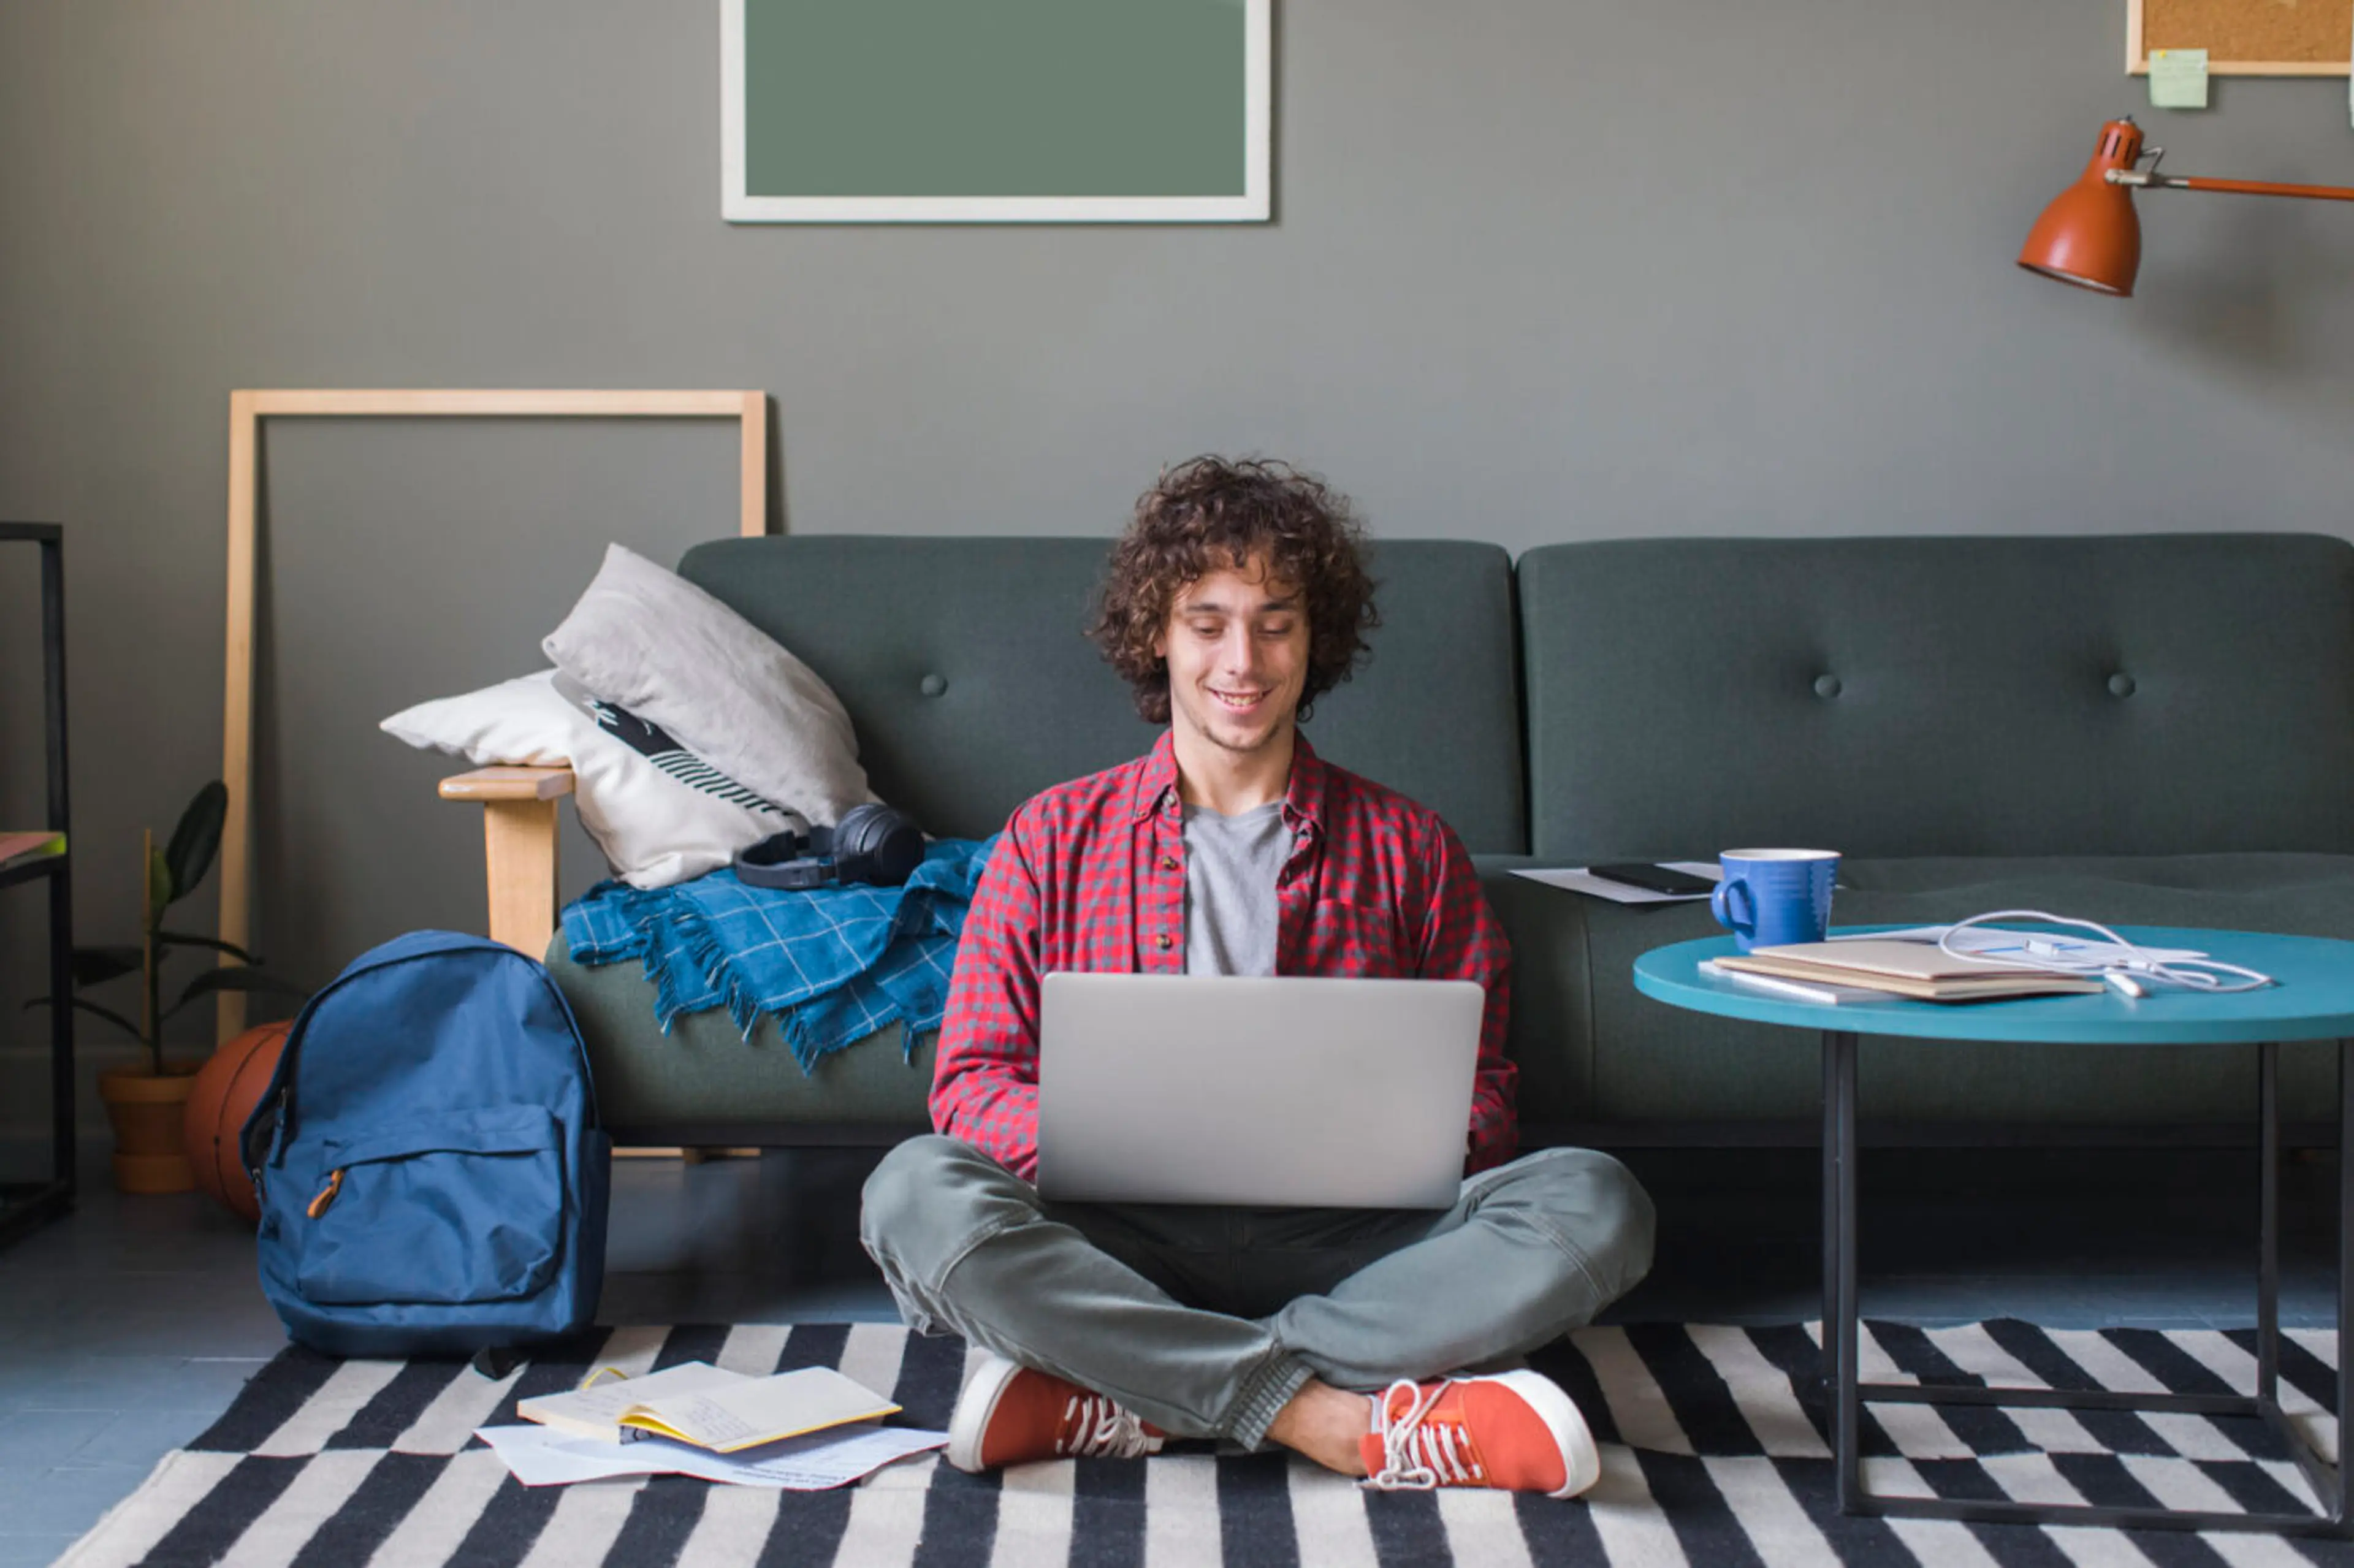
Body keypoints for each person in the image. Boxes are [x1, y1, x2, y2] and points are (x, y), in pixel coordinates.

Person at [859, 457, 1654, 1496]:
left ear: (1314, 640)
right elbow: (970, 1084)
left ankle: (1136, 1386)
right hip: (1117, 1237)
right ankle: (1333, 1417)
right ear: (1158, 633)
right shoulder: (1048, 836)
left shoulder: (1413, 845)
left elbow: (1487, 1093)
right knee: (912, 1191)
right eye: (1209, 623)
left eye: (1276, 624)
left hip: (1358, 1244)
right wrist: (1113, 1140)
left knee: (1598, 1200)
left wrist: (1396, 1142)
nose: (1243, 659)